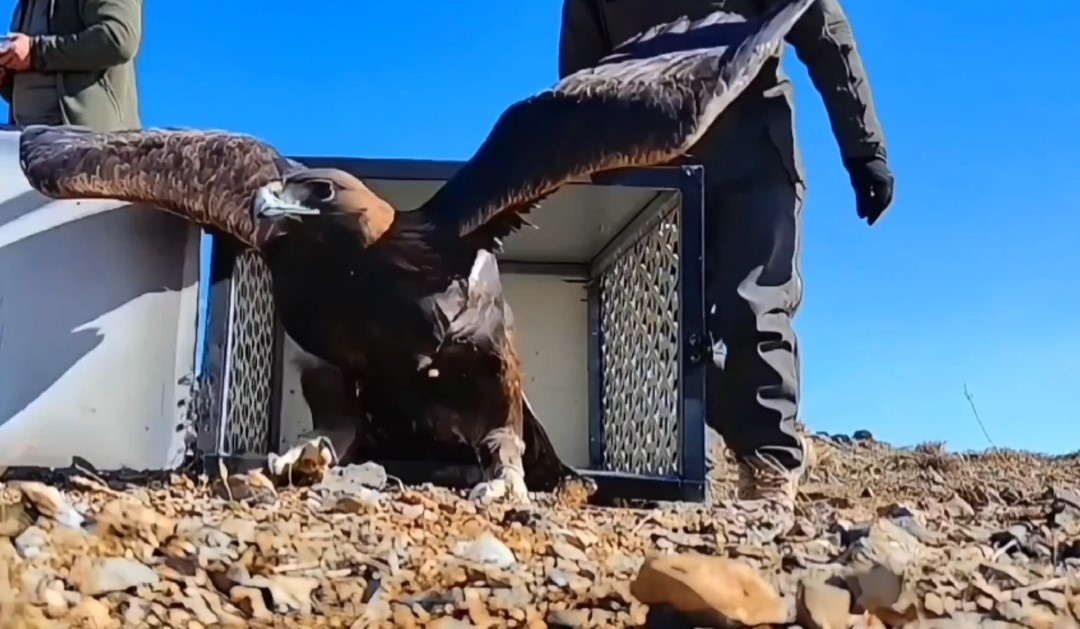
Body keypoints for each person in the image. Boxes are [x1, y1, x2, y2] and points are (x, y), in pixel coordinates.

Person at [559, 0, 894, 514]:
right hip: (651, 164)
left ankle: (769, 465)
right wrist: (580, 168)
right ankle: (725, 443)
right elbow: (581, 78)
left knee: (753, 307)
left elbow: (824, 32)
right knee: (653, 327)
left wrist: (864, 150)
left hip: (751, 157)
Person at [0, 0, 142, 131]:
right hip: (26, 143)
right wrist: (6, 77)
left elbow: (118, 38)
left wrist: (36, 52)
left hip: (86, 146)